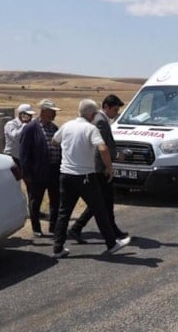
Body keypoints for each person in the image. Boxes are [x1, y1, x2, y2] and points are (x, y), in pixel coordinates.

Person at [51, 99, 130, 259]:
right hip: (85, 176)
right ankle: (112, 244)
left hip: (66, 174)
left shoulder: (67, 125)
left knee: (64, 212)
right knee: (100, 209)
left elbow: (54, 141)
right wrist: (109, 167)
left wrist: (69, 149)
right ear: (92, 114)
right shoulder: (90, 128)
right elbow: (103, 148)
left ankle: (58, 248)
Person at [68, 95, 131, 244]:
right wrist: (114, 158)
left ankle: (106, 229)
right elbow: (101, 146)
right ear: (106, 107)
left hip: (99, 167)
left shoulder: (101, 120)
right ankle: (78, 228)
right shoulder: (101, 121)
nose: (116, 113)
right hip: (100, 168)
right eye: (114, 110)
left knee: (105, 201)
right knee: (102, 201)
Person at [19, 99, 61, 238]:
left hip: (54, 170)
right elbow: (24, 153)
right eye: (52, 112)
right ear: (43, 111)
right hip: (37, 172)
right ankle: (36, 228)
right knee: (36, 201)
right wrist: (26, 173)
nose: (54, 114)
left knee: (55, 200)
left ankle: (53, 227)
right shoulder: (30, 128)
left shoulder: (54, 128)